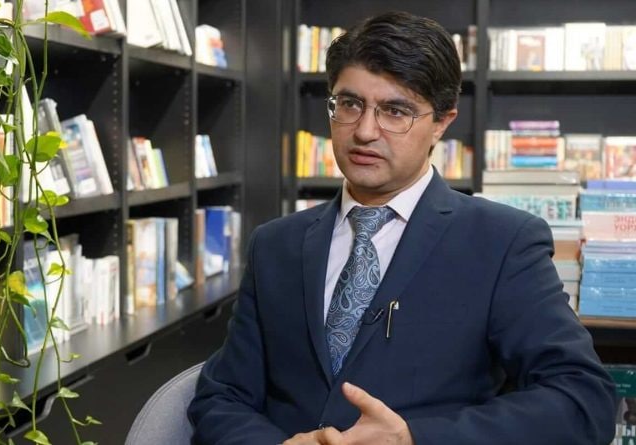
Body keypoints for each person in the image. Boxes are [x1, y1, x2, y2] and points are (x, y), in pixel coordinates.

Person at [188, 11, 616, 445]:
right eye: (349, 104)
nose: (364, 131)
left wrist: (413, 438)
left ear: (442, 123)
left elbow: (582, 399)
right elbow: (223, 396)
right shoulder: (275, 244)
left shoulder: (502, 242)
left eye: (395, 111)